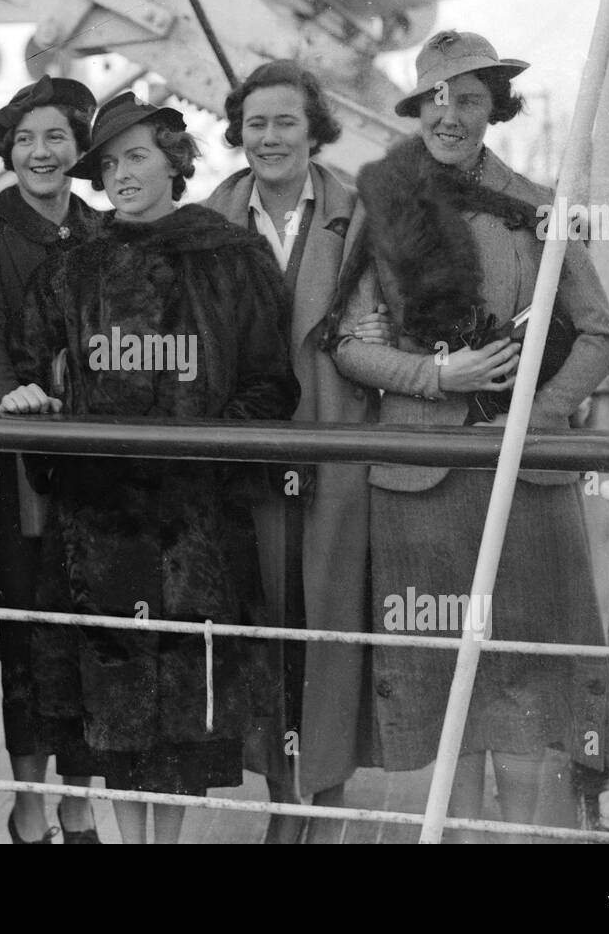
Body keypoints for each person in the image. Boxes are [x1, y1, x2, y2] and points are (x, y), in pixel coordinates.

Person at [323, 31, 609, 838]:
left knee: (524, 683)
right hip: (420, 484)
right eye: (436, 100)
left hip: (525, 481)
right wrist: (436, 378)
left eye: (470, 99)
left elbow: (599, 333)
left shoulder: (537, 204)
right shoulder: (382, 205)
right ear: (418, 109)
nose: (450, 116)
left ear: (495, 109)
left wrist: (541, 415)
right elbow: (349, 343)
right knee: (441, 685)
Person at [2, 92, 299, 844]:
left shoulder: (229, 256)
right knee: (114, 712)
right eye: (108, 163)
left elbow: (271, 384)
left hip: (196, 527)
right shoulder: (72, 268)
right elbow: (32, 370)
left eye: (136, 155)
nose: (121, 173)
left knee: (185, 719)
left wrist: (208, 459)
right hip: (97, 526)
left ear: (175, 158)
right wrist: (49, 430)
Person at [206, 59, 391, 844]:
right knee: (264, 630)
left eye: (286, 121)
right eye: (256, 123)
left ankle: (325, 805)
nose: (270, 137)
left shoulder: (363, 214)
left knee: (331, 631)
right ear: (237, 132)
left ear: (315, 129)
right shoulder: (210, 221)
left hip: (338, 454)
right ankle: (286, 806)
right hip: (246, 464)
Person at [0, 75, 101, 844]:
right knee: (30, 636)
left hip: (98, 470)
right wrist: (7, 392)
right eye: (26, 140)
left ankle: (79, 801)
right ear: (8, 150)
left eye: (57, 139)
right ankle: (31, 804)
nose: (41, 153)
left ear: (80, 149)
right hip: (22, 470)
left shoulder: (105, 228)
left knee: (91, 635)